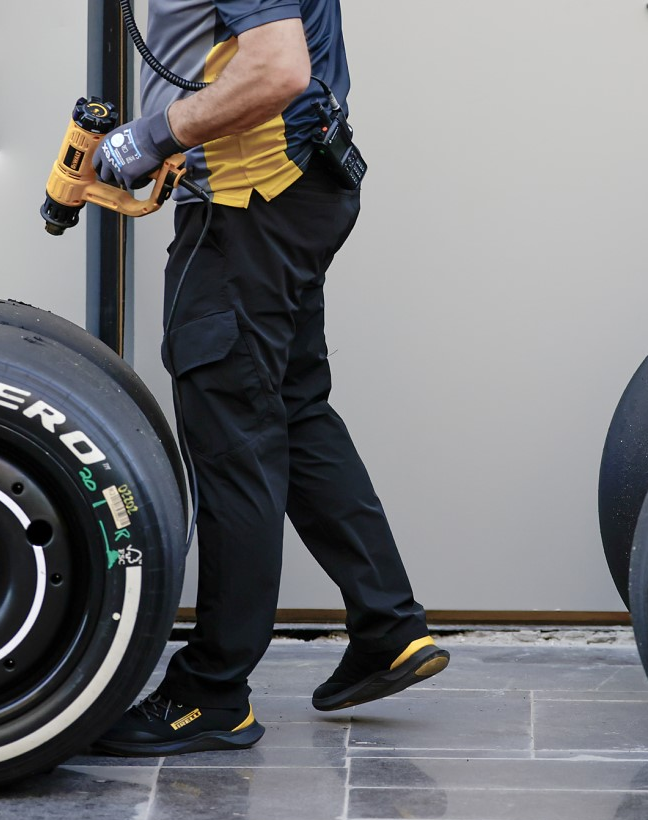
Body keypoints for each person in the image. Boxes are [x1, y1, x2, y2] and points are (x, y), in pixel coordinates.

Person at [88, 0, 447, 756]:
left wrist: (152, 135)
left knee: (234, 436)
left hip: (244, 205)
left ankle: (212, 692)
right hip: (288, 193)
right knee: (292, 408)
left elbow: (275, 67)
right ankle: (388, 627)